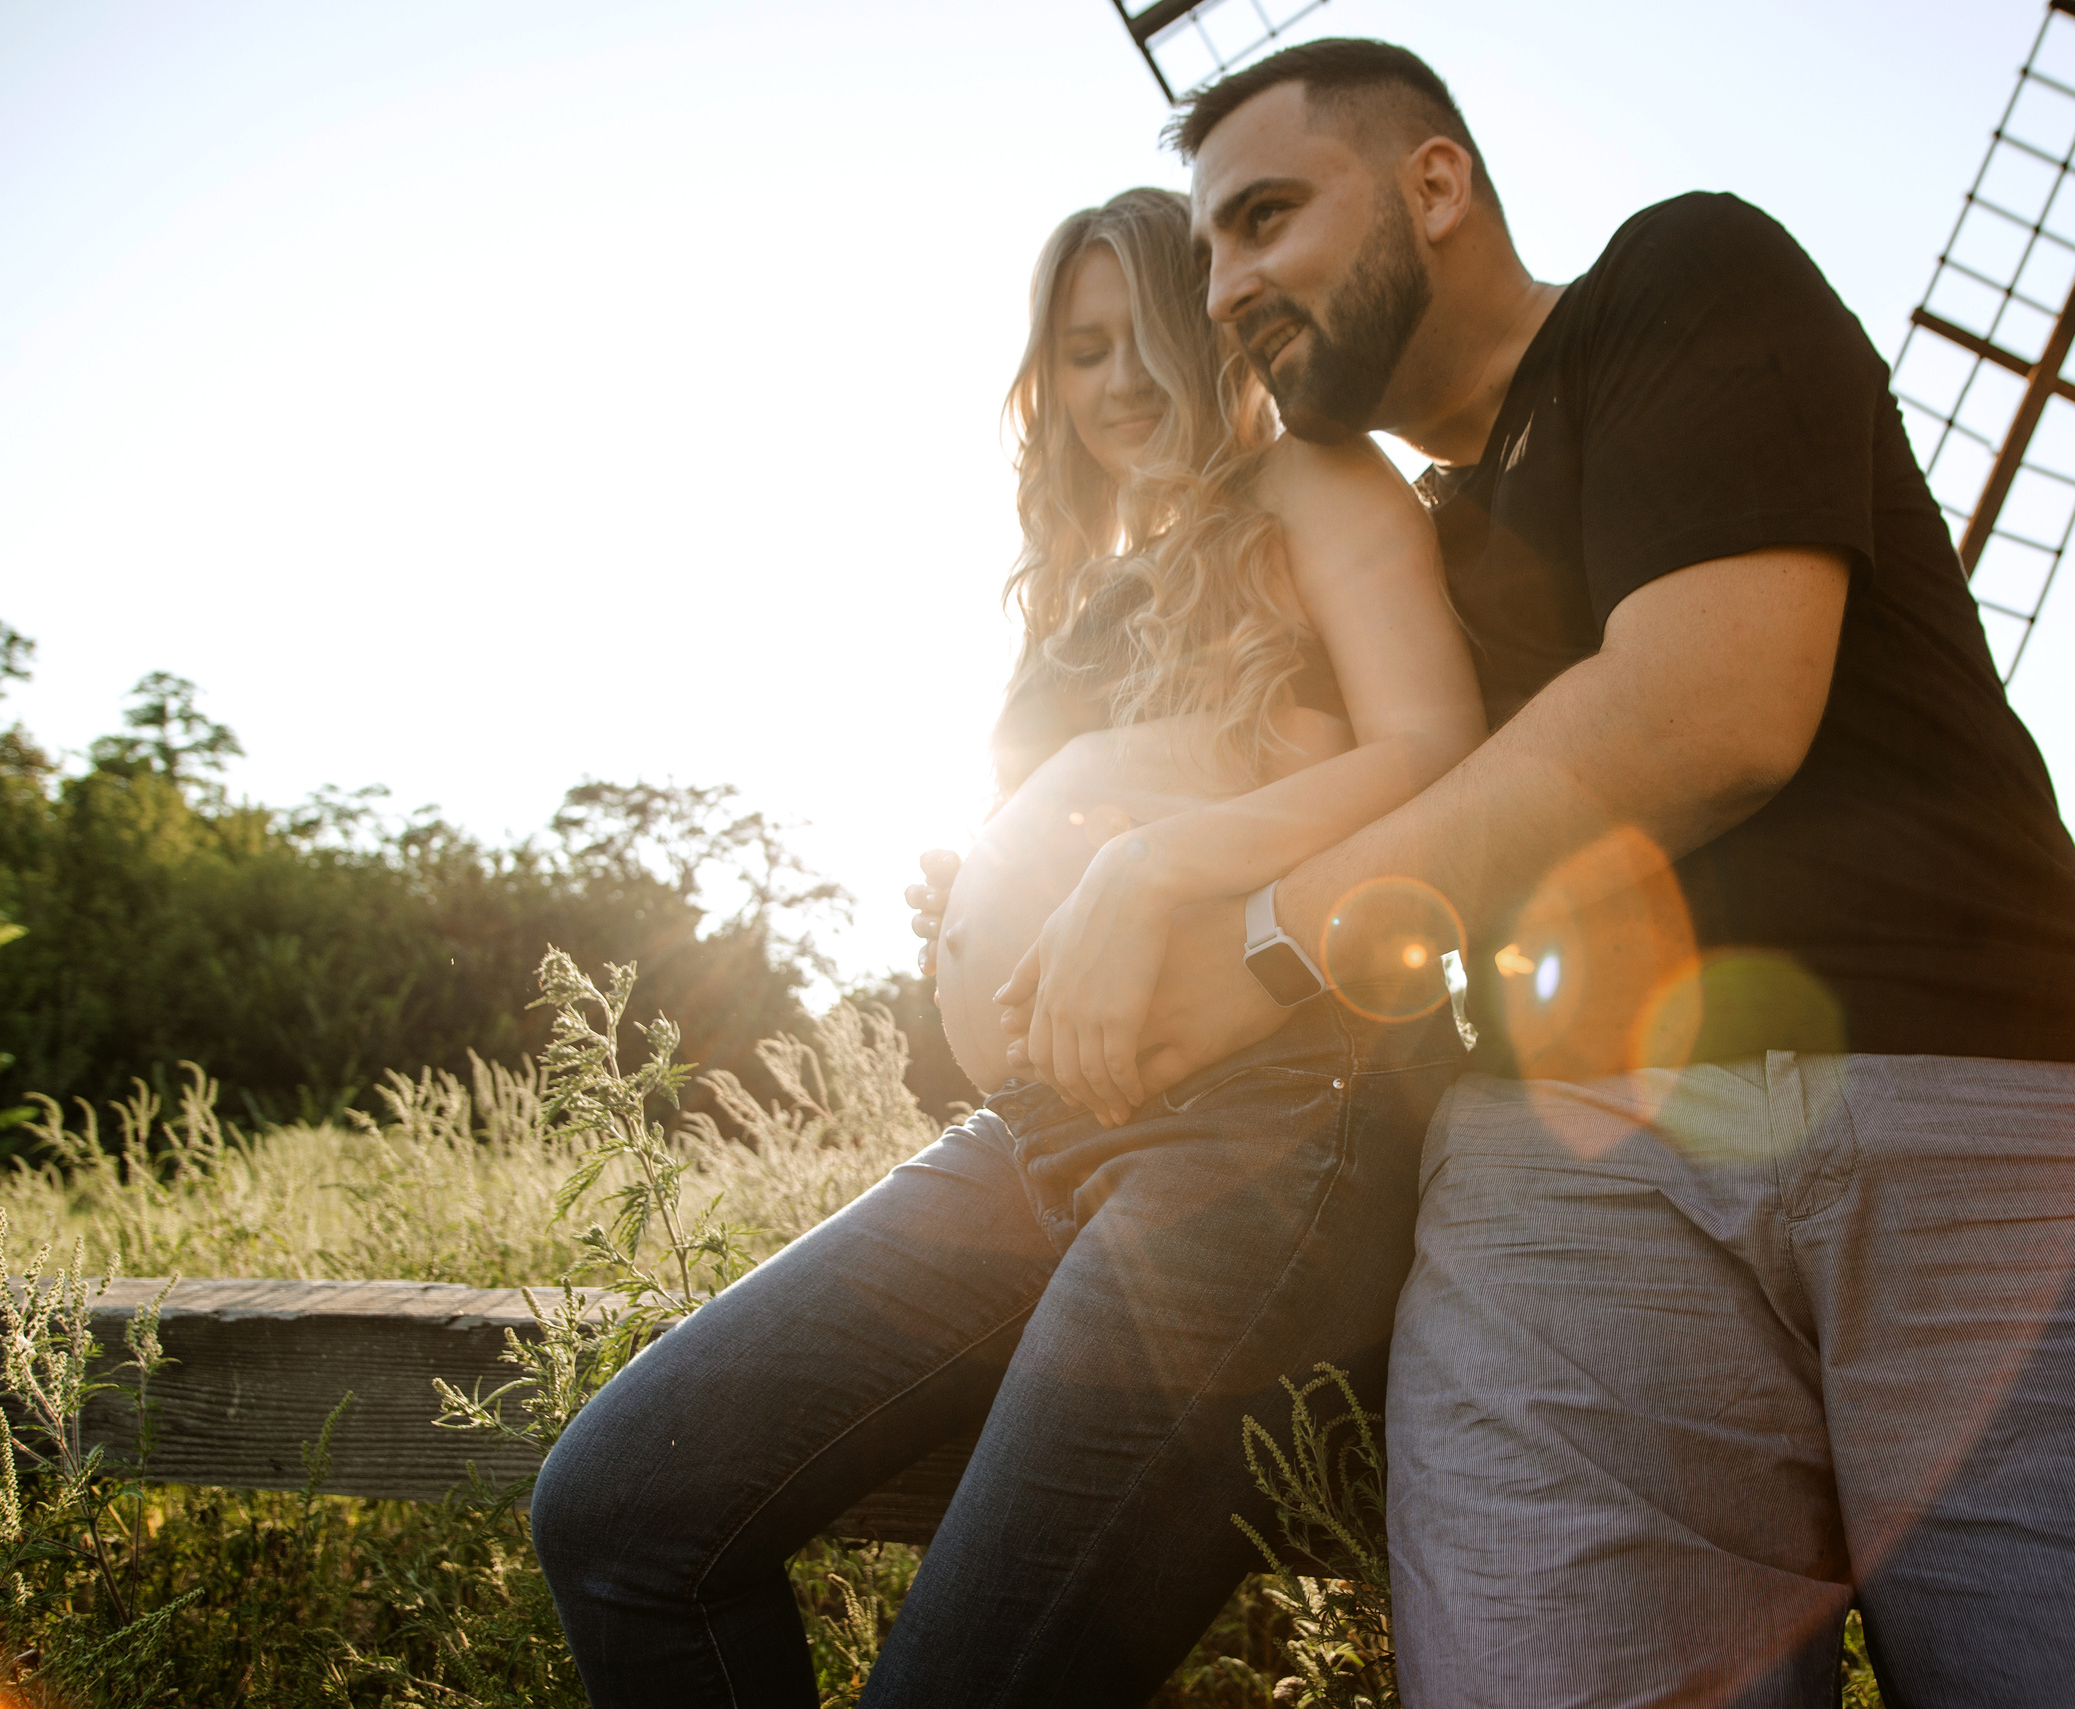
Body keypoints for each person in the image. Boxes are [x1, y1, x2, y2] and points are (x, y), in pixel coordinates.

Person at [924, 38, 2075, 1708]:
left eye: (1267, 216)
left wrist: (1264, 939)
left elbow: (1713, 701)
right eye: (1211, 244)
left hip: (2005, 1096)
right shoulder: (1391, 571)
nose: (1222, 285)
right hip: (1562, 1156)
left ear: (1436, 183)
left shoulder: (1682, 280)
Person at [528, 185, 1485, 1707]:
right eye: (1081, 350)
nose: (1115, 384)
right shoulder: (1107, 571)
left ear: (1216, 330)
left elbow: (1439, 749)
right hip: (1039, 1125)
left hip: (1262, 1129)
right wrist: (992, 889)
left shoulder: (1319, 483)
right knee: (621, 1512)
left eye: (1145, 339)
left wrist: (1153, 867)